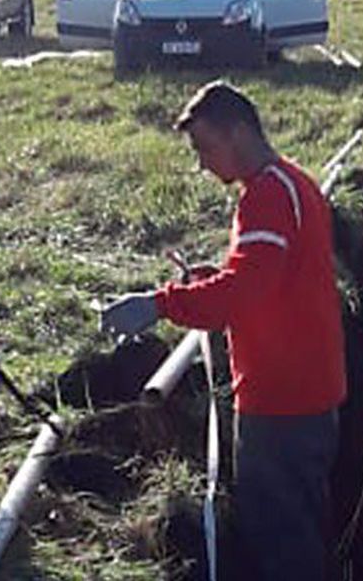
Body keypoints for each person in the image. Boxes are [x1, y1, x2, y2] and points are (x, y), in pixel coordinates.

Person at [102, 80, 347, 581]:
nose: (202, 164)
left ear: (238, 132)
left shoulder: (266, 197)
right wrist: (211, 281)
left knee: (279, 534)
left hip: (282, 400)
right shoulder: (295, 182)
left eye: (205, 148)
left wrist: (159, 304)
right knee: (300, 522)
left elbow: (242, 293)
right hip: (310, 390)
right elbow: (263, 277)